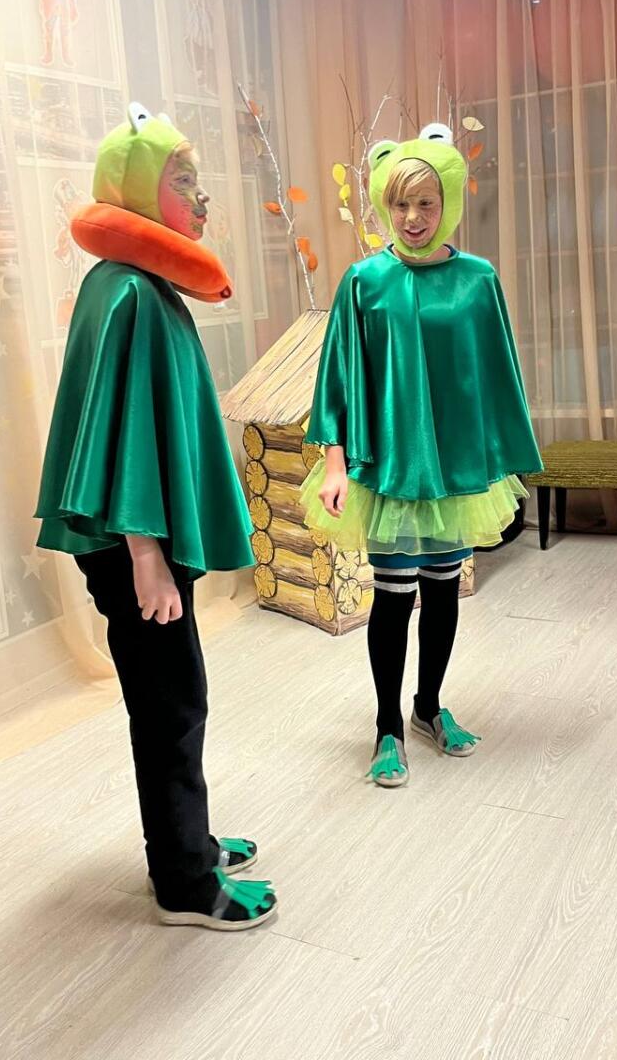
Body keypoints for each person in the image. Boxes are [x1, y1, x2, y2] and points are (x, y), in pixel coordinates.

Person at [36, 102, 277, 929]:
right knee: (172, 704)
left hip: (138, 538)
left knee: (174, 694)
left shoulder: (131, 284)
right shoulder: (132, 292)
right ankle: (185, 883)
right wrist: (146, 556)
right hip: (134, 543)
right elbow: (128, 433)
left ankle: (190, 843)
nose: (202, 198)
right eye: (183, 180)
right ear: (137, 190)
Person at [300, 123, 542, 788]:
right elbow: (338, 378)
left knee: (443, 588)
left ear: (449, 203)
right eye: (400, 204)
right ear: (385, 205)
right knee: (392, 594)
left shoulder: (477, 280)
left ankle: (429, 707)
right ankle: (387, 727)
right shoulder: (364, 281)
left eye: (426, 203)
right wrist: (334, 464)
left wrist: (502, 456)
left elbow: (495, 375)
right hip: (389, 464)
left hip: (452, 465)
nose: (412, 218)